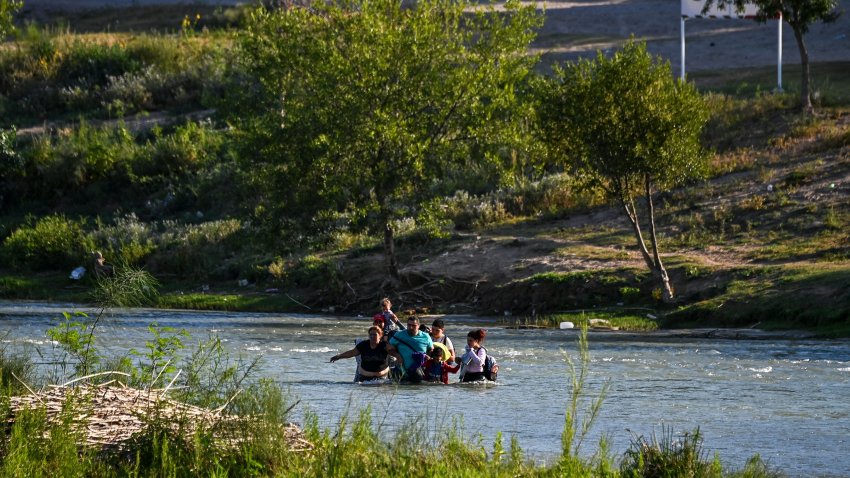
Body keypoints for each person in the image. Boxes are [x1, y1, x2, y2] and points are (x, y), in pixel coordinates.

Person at [330, 326, 399, 381]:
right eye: (370, 335)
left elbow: (395, 352)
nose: (372, 336)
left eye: (375, 334)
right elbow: (351, 353)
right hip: (364, 379)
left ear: (380, 335)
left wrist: (399, 358)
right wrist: (339, 356)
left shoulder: (384, 345)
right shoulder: (363, 345)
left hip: (382, 379)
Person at [387, 316, 433, 383]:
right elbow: (388, 348)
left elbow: (431, 349)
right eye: (409, 325)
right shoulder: (399, 335)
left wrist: (426, 357)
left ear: (418, 326)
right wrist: (397, 355)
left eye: (413, 325)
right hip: (402, 373)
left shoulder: (426, 336)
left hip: (419, 373)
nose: (411, 327)